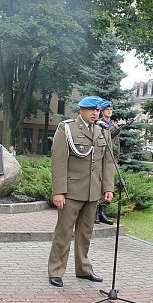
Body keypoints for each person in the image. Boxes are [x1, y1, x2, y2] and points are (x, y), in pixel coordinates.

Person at [47, 96, 116, 287]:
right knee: (64, 232)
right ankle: (56, 270)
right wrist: (58, 191)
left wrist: (108, 187)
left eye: (97, 110)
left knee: (86, 233)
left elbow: (107, 162)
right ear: (81, 110)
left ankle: (83, 269)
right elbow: (59, 161)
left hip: (93, 191)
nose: (95, 113)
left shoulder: (103, 131)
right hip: (71, 191)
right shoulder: (67, 128)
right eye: (91, 110)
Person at [94, 100, 120, 225]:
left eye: (111, 109)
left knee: (108, 186)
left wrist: (116, 159)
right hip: (99, 160)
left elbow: (116, 146)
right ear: (102, 111)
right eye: (107, 109)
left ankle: (102, 212)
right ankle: (94, 213)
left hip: (110, 160)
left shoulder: (114, 127)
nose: (109, 111)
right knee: (97, 185)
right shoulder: (98, 124)